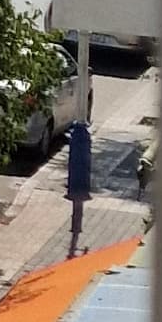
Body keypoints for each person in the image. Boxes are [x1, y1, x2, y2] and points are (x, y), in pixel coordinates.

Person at [67, 101, 94, 256]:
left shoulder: (79, 138)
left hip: (78, 183)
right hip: (79, 183)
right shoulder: (80, 139)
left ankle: (76, 226)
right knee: (78, 202)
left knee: (78, 202)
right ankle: (76, 226)